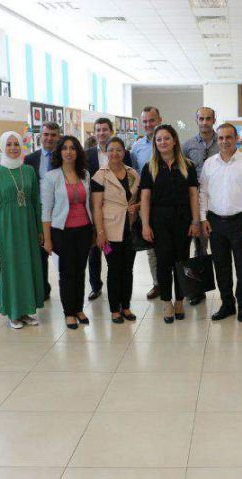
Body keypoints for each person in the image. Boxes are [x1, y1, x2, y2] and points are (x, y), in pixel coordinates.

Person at [140, 125, 200, 324]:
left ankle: (180, 300)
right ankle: (167, 302)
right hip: (159, 222)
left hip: (183, 221)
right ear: (155, 144)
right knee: (163, 263)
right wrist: (145, 225)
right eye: (159, 139)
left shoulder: (188, 166)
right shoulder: (149, 168)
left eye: (166, 138)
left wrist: (195, 221)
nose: (163, 142)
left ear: (174, 140)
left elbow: (193, 195)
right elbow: (145, 198)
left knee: (181, 262)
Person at [199, 123, 242, 323]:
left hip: (241, 222)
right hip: (215, 222)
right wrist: (203, 218)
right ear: (217, 140)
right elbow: (203, 193)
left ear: (236, 139)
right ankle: (227, 304)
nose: (224, 141)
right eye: (221, 138)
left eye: (228, 137)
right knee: (221, 266)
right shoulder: (209, 164)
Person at [0, 132, 44, 329]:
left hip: (27, 225)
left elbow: (35, 201)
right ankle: (13, 312)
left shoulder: (28, 171)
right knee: (11, 268)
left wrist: (39, 228)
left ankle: (27, 310)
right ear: (2, 147)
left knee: (28, 265)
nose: (13, 148)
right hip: (6, 226)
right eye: (8, 144)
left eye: (16, 144)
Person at [41, 135, 93, 330]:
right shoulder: (51, 177)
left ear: (78, 152)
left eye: (73, 148)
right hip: (62, 231)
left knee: (80, 270)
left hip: (84, 229)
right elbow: (46, 211)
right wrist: (47, 239)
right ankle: (69, 312)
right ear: (59, 152)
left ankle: (79, 308)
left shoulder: (85, 174)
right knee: (67, 272)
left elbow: (89, 204)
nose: (69, 152)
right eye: (65, 148)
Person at [91, 136, 140, 324]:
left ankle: (126, 306)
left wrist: (136, 207)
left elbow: (139, 199)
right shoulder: (100, 176)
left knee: (128, 269)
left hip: (130, 229)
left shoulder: (132, 173)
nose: (115, 153)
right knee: (114, 269)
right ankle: (114, 310)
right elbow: (96, 207)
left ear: (124, 152)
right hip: (109, 231)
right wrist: (100, 233)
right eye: (111, 150)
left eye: (119, 150)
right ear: (106, 152)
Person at [85, 118, 132, 302]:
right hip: (95, 209)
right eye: (98, 130)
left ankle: (121, 299)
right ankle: (95, 286)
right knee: (94, 251)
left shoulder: (124, 154)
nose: (101, 133)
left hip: (117, 216)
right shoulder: (87, 154)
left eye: (105, 129)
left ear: (111, 131)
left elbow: (130, 182)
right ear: (94, 133)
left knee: (117, 261)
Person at [182, 107, 219, 306]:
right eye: (201, 118)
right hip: (194, 203)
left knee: (218, 248)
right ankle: (198, 290)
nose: (205, 122)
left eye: (208, 118)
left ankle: (224, 289)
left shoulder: (222, 142)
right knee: (199, 247)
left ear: (214, 120)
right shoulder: (187, 146)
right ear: (196, 120)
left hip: (217, 203)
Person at [25, 121, 61, 300]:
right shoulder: (30, 159)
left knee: (62, 254)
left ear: (58, 137)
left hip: (60, 211)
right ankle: (43, 289)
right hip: (39, 214)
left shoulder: (64, 157)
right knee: (40, 255)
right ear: (40, 136)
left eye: (53, 135)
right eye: (46, 134)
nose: (49, 138)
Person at [131, 106, 163, 301]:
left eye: (151, 120)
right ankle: (157, 284)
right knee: (151, 248)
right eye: (144, 121)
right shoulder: (137, 148)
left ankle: (178, 284)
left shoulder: (169, 141)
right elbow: (135, 178)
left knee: (172, 246)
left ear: (159, 120)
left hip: (169, 202)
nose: (148, 124)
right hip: (147, 204)